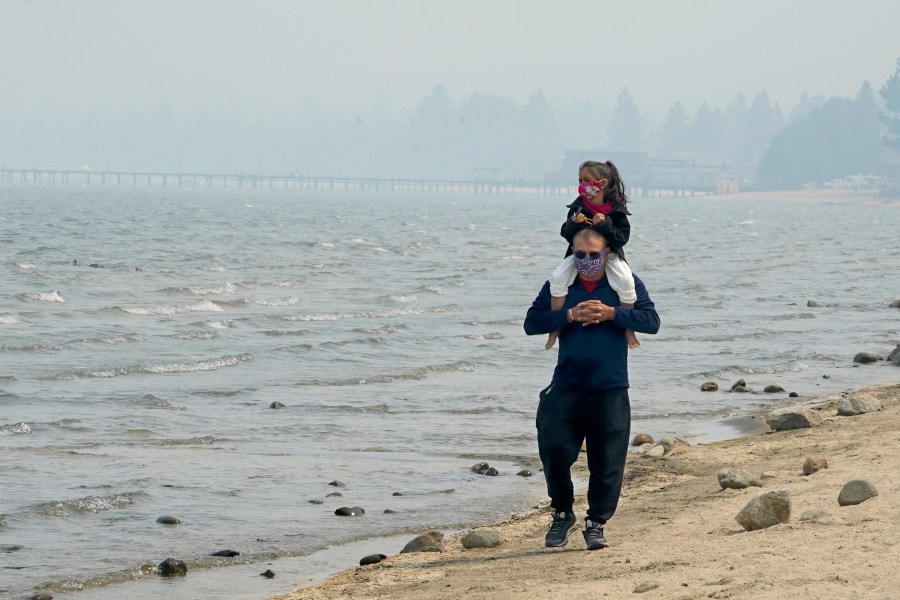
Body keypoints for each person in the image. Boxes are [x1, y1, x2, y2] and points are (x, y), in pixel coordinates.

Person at [524, 227, 660, 550]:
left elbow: (651, 321)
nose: (585, 261)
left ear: (606, 252)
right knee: (553, 449)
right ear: (572, 251)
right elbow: (532, 322)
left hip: (610, 388)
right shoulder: (561, 283)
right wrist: (569, 315)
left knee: (607, 464)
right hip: (566, 387)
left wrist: (612, 313)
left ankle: (596, 523)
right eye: (579, 254)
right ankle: (561, 513)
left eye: (593, 254)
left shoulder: (623, 282)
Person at [545, 160, 638, 351]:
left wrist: (605, 225)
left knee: (626, 280)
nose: (583, 184)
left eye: (587, 180)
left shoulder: (616, 211)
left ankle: (628, 328)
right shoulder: (578, 206)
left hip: (609, 255)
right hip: (579, 254)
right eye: (580, 180)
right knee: (558, 278)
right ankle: (555, 327)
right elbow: (566, 234)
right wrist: (574, 223)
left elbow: (621, 239)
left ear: (601, 183)